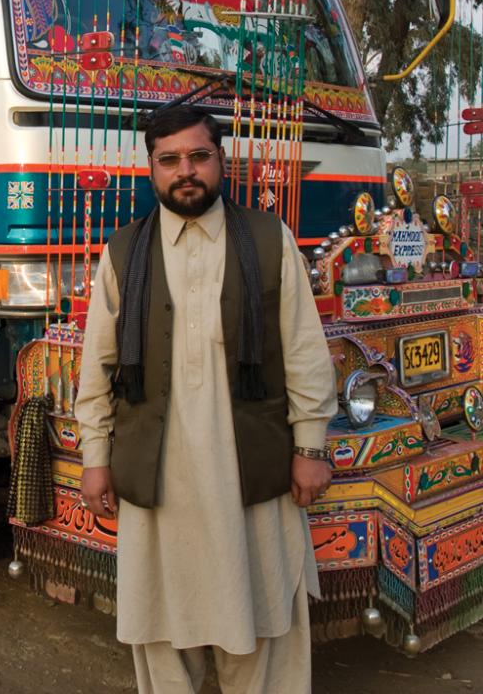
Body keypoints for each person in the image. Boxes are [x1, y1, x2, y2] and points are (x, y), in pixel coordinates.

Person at [74, 105, 337, 694]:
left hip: (249, 470)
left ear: (222, 161)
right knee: (162, 627)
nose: (184, 171)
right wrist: (95, 459)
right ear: (151, 169)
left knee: (263, 616)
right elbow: (99, 366)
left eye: (198, 156)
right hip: (158, 477)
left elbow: (304, 352)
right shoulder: (122, 254)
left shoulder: (270, 241)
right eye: (169, 160)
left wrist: (311, 447)